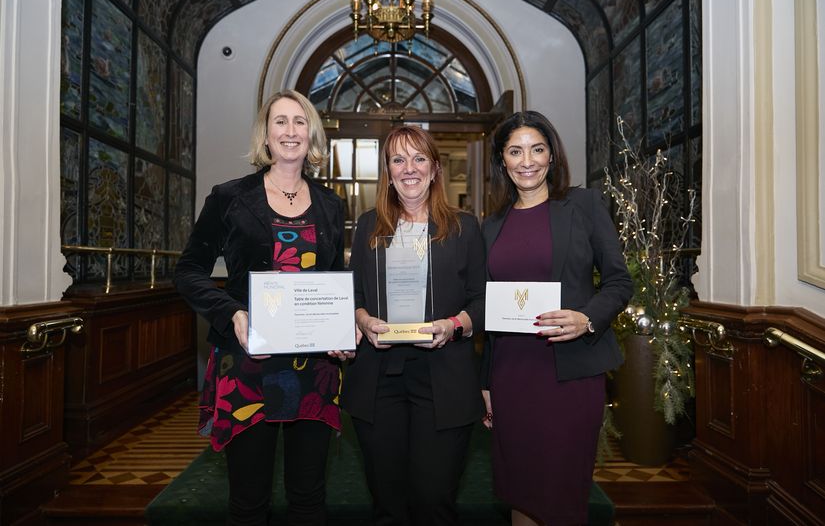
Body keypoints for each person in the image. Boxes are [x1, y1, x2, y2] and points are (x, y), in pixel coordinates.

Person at [174, 89, 354, 526]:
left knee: (309, 497)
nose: (290, 131)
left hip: (314, 368)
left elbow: (334, 283)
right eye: (280, 121)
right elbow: (189, 271)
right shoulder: (230, 197)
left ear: (310, 134)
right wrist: (231, 311)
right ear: (266, 134)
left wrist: (342, 333)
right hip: (248, 364)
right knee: (249, 499)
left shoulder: (332, 205)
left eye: (299, 121)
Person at [481, 111, 633, 526]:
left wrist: (586, 318)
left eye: (537, 149)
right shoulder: (491, 226)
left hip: (570, 374)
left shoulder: (582, 206)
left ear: (551, 156)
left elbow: (619, 282)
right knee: (520, 492)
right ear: (502, 161)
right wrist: (486, 382)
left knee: (563, 495)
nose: (526, 160)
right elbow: (487, 308)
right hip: (512, 376)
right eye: (515, 151)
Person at [342, 125, 486, 525]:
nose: (410, 168)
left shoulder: (464, 228)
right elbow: (352, 296)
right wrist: (362, 318)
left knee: (433, 500)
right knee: (387, 503)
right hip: (378, 379)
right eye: (398, 159)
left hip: (443, 380)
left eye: (419, 158)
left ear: (436, 168)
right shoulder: (369, 224)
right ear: (387, 170)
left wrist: (455, 323)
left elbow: (483, 300)